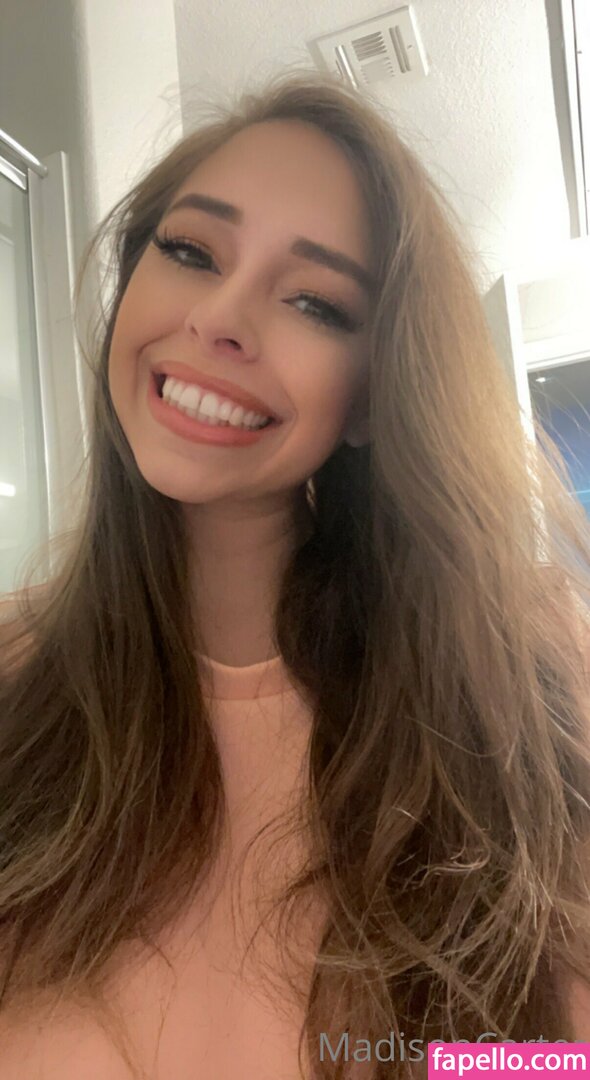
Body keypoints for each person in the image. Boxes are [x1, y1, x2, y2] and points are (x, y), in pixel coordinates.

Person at [1, 66, 590, 1080]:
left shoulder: (525, 672)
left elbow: (550, 1057)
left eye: (315, 302)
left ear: (371, 397)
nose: (220, 319)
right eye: (190, 251)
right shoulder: (14, 671)